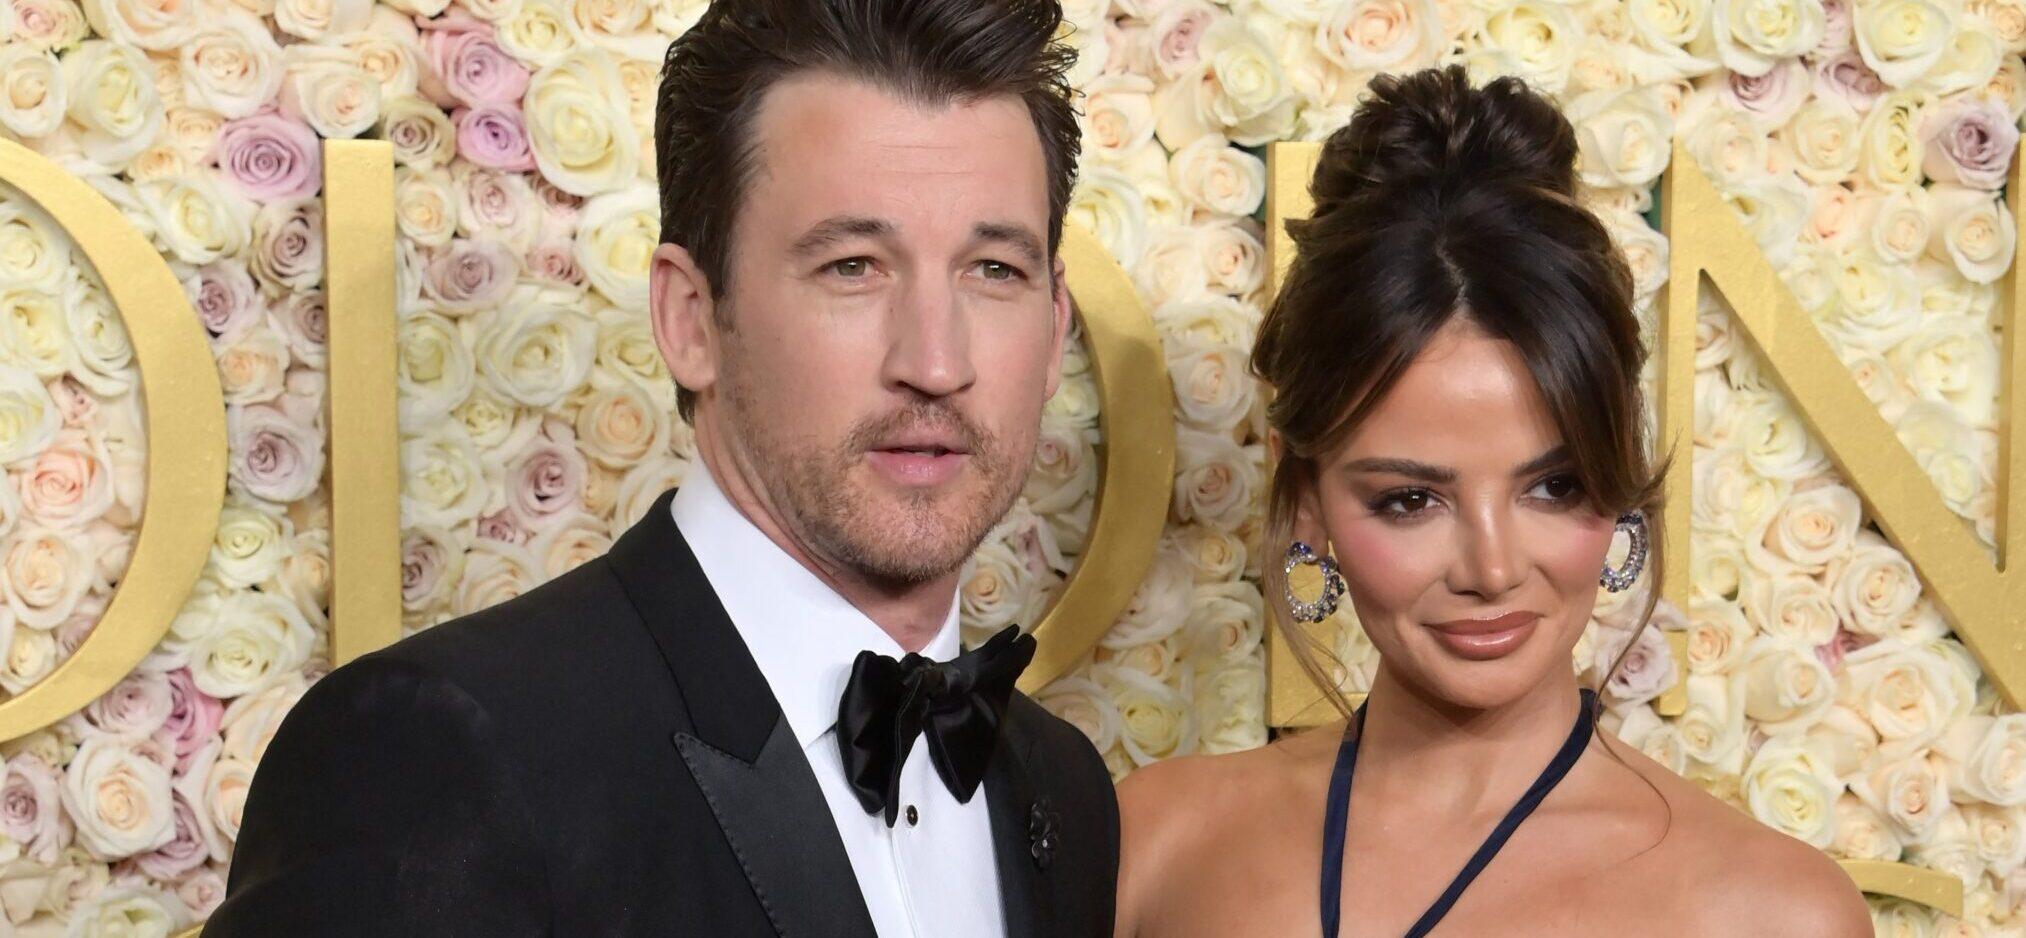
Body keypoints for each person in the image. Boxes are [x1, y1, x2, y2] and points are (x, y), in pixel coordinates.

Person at [206, 0, 1117, 934]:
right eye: (853, 266)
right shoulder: (431, 756)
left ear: (1053, 332)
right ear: (690, 320)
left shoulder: (1067, 793)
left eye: (994, 271)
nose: (935, 362)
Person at [1112, 66, 1872, 938]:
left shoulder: (1773, 913)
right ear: (1309, 497)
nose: (1494, 568)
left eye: (1554, 486)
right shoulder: (1160, 845)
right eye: (1409, 500)